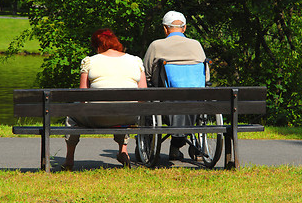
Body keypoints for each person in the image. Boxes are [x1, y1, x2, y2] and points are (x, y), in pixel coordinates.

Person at [62, 28, 147, 170]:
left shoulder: (89, 61)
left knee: (72, 115)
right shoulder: (136, 61)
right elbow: (143, 96)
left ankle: (69, 159)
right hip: (129, 117)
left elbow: (82, 96)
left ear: (97, 46)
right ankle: (123, 151)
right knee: (124, 107)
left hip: (97, 117)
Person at [143, 10, 209, 160]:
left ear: (165, 29)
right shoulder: (196, 45)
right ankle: (179, 147)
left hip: (166, 104)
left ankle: (148, 146)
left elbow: (145, 74)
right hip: (195, 103)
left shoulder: (156, 45)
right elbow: (206, 77)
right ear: (184, 28)